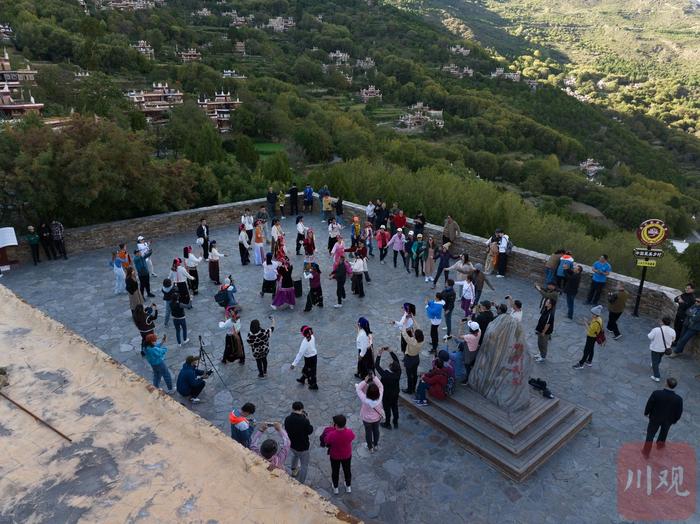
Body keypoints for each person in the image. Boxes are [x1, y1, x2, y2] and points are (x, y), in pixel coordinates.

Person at [642, 377, 683, 458]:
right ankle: (659, 447)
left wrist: (646, 413)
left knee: (650, 434)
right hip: (668, 420)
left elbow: (650, 404)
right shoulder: (678, 399)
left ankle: (646, 451)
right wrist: (675, 420)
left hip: (655, 417)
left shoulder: (657, 393)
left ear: (666, 384)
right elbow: (679, 412)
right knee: (664, 433)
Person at [321, 414, 355, 495]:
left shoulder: (332, 434)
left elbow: (326, 441)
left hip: (335, 456)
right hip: (346, 455)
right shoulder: (349, 432)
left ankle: (335, 487)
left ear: (335, 425)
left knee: (335, 471)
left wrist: (331, 429)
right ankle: (348, 486)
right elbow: (352, 437)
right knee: (347, 470)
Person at [284, 401, 313, 483]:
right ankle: (301, 483)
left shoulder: (287, 419)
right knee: (304, 465)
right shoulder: (304, 421)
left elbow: (287, 429)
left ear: (292, 408)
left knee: (295, 455)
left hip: (292, 444)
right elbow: (310, 431)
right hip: (303, 446)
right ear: (302, 409)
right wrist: (307, 419)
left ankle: (293, 470)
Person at [356, 373, 384, 453]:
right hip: (377, 418)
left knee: (368, 433)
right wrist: (374, 377)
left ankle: (370, 447)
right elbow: (381, 386)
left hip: (366, 419)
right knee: (376, 431)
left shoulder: (365, 399)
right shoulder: (380, 396)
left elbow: (358, 389)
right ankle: (375, 445)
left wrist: (365, 380)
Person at [375, 347, 401, 430]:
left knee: (387, 410)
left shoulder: (385, 374)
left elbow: (377, 366)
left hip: (387, 395)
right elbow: (396, 360)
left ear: (390, 367)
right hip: (395, 393)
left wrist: (379, 353)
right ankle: (395, 422)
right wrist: (390, 350)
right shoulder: (398, 372)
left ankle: (387, 423)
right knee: (395, 407)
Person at [648, 317, 676, 382]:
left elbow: (650, 336)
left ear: (662, 322)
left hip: (656, 348)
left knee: (655, 361)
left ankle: (656, 376)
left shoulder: (656, 330)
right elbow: (673, 339)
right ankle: (655, 365)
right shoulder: (673, 331)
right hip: (665, 349)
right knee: (659, 358)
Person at [291, 325, 318, 390]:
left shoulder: (304, 343)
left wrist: (294, 364)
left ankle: (314, 385)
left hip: (309, 358)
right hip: (314, 356)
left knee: (311, 372)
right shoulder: (312, 336)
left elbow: (300, 354)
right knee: (308, 369)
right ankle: (302, 379)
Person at [401, 328, 424, 394]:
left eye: (414, 334)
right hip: (416, 358)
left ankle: (409, 390)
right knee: (414, 374)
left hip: (409, 359)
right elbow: (418, 329)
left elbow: (405, 335)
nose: (413, 334)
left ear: (416, 336)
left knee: (409, 376)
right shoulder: (422, 340)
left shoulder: (411, 341)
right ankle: (413, 388)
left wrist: (403, 326)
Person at [534, 298, 555, 363]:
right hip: (540, 330)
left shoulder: (550, 313)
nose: (546, 302)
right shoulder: (546, 309)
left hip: (545, 332)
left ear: (550, 305)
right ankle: (540, 353)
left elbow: (548, 324)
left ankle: (543, 357)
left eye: (547, 302)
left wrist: (543, 332)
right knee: (539, 343)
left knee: (543, 344)